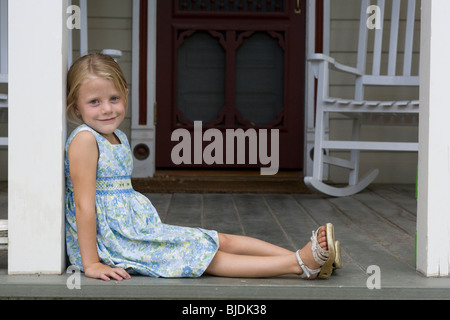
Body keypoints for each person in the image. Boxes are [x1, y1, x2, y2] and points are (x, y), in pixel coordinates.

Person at [65, 53, 342, 282]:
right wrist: (91, 262)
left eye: (114, 99)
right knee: (205, 255)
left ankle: (307, 257)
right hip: (116, 241)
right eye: (94, 102)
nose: (107, 110)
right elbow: (84, 206)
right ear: (76, 107)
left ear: (125, 94)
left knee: (217, 239)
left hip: (135, 230)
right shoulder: (86, 141)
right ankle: (300, 264)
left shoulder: (116, 136)